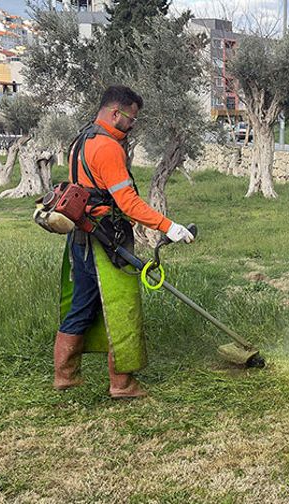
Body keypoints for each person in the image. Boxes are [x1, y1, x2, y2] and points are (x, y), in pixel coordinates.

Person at [53, 85, 195, 398]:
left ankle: (66, 375)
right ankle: (123, 384)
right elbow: (127, 202)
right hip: (106, 240)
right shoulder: (107, 147)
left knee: (82, 305)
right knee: (122, 310)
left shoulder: (81, 139)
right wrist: (168, 226)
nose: (132, 125)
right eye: (131, 118)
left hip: (81, 237)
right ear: (115, 112)